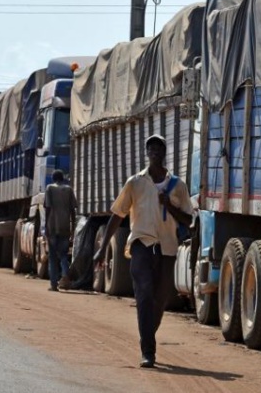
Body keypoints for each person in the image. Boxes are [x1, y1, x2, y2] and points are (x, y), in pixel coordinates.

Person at [94, 134, 193, 369]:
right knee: (144, 295)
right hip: (141, 246)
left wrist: (168, 205)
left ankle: (147, 333)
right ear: (147, 152)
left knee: (159, 301)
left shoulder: (177, 186)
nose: (155, 152)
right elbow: (118, 215)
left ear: (164, 152)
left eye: (159, 148)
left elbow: (188, 219)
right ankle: (148, 350)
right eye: (151, 148)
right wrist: (101, 249)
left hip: (167, 249)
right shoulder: (135, 182)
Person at [44, 169, 77, 292]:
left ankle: (54, 285)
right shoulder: (69, 190)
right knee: (63, 255)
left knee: (52, 256)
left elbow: (48, 207)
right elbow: (73, 210)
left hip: (53, 226)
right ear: (62, 178)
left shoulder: (50, 188)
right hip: (65, 227)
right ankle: (65, 275)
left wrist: (46, 225)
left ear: (53, 178)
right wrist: (72, 227)